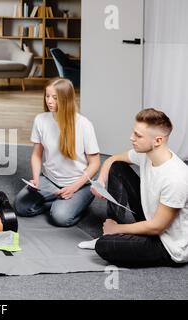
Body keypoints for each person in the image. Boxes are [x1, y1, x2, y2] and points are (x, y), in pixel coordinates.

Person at [86, 108, 188, 267]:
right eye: (133, 132)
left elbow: (158, 227)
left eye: (138, 136)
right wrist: (101, 179)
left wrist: (118, 229)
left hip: (167, 245)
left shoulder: (176, 178)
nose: (131, 138)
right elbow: (112, 159)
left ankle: (114, 231)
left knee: (103, 246)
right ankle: (112, 229)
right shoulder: (145, 153)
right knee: (118, 167)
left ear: (158, 141)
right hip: (151, 218)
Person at [14, 78, 100, 227]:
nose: (49, 101)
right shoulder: (40, 120)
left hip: (79, 185)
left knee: (60, 218)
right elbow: (36, 154)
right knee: (20, 206)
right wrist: (35, 179)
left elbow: (95, 163)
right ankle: (57, 202)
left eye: (55, 97)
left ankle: (73, 205)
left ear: (66, 99)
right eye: (47, 96)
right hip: (49, 180)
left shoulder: (84, 125)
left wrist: (74, 188)